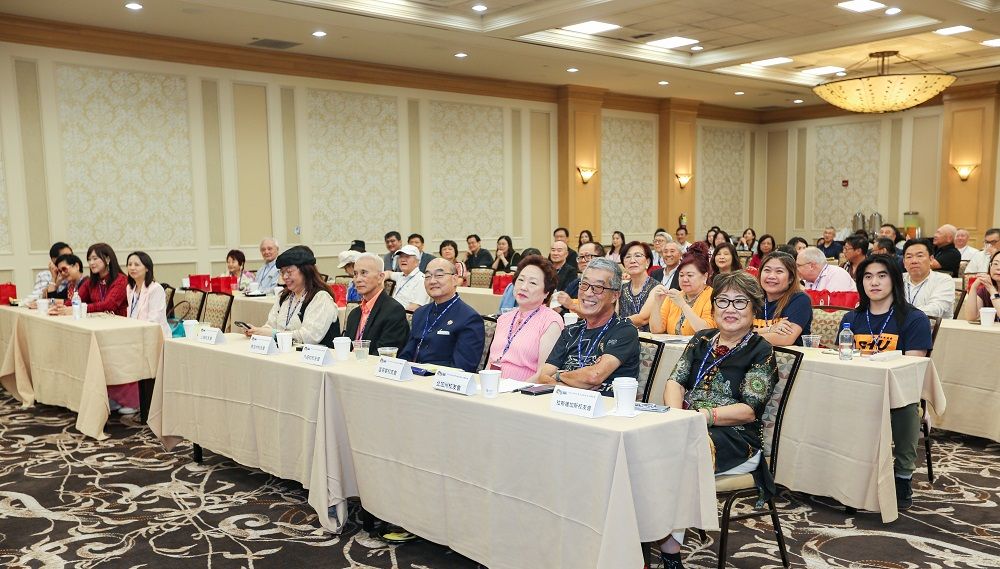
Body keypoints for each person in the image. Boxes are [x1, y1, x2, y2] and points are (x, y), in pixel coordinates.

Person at [657, 271, 778, 568]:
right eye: (723, 301)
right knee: (645, 444)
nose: (730, 309)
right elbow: (675, 381)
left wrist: (700, 417)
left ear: (753, 309)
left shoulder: (760, 350)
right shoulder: (703, 339)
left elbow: (749, 410)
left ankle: (670, 553)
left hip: (737, 438)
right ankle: (646, 530)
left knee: (677, 458)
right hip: (687, 425)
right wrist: (677, 417)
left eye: (740, 302)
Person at [839, 255, 933, 510]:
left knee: (906, 408)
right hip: (857, 390)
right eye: (868, 277)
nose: (874, 282)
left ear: (894, 280)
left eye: (882, 275)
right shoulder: (852, 318)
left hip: (897, 393)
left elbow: (912, 369)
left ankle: (902, 476)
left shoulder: (914, 319)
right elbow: (842, 359)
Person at [532, 258, 640, 394]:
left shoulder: (624, 330)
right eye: (584, 285)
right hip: (563, 405)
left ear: (615, 295)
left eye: (598, 287)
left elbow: (593, 376)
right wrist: (570, 387)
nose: (588, 293)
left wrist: (559, 375)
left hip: (605, 409)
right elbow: (543, 378)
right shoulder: (570, 331)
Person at [108, 251, 170, 415]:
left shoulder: (155, 289)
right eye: (129, 264)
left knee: (122, 354)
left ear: (147, 268)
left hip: (154, 338)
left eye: (137, 264)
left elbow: (154, 320)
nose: (132, 268)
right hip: (136, 335)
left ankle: (133, 401)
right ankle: (119, 397)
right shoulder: (131, 288)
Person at [398, 258, 485, 372]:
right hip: (411, 378)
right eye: (428, 276)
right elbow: (407, 354)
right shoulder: (420, 313)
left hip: (441, 384)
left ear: (454, 279)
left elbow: (462, 368)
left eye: (439, 275)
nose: (432, 281)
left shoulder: (469, 318)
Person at [486, 256, 564, 380]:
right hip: (492, 388)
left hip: (522, 393)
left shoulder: (551, 321)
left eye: (532, 283)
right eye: (521, 280)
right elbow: (491, 362)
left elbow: (543, 373)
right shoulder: (504, 318)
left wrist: (517, 390)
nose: (523, 287)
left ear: (546, 292)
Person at [245, 246, 340, 345]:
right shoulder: (284, 296)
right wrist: (258, 331)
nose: (285, 277)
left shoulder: (320, 297)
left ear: (305, 271)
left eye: (289, 272)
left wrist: (273, 334)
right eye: (282, 272)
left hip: (314, 357)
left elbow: (309, 337)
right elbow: (271, 325)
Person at [343, 253, 410, 354]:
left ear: (380, 277)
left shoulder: (393, 311)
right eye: (355, 274)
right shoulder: (354, 314)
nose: (358, 279)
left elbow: (385, 353)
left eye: (364, 273)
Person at [647, 242, 715, 335]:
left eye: (690, 275)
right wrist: (657, 303)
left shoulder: (712, 296)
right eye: (681, 275)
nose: (685, 279)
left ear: (705, 276)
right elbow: (656, 330)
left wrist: (683, 305)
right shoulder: (675, 296)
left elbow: (706, 331)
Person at [754, 252, 812, 346]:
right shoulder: (751, 298)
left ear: (791, 278)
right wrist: (769, 329)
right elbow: (729, 331)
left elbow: (784, 339)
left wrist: (745, 336)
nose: (771, 276)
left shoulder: (800, 300)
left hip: (785, 358)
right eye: (767, 270)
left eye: (779, 271)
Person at [901, 239, 955, 319]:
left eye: (920, 256)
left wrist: (901, 314)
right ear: (904, 263)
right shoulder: (897, 279)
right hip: (898, 329)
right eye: (909, 257)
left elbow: (935, 310)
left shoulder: (943, 280)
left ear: (931, 259)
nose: (914, 261)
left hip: (934, 329)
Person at [74, 243, 128, 316]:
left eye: (95, 258)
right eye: (89, 260)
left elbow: (109, 305)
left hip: (120, 323)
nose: (91, 263)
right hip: (98, 322)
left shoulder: (121, 280)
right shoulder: (91, 282)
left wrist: (81, 308)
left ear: (108, 259)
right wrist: (60, 307)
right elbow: (77, 299)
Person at [617, 241, 659, 331]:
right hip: (622, 338)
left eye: (638, 256)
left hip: (648, 342)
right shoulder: (621, 289)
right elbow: (613, 314)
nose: (632, 260)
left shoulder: (657, 288)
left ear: (647, 262)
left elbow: (643, 319)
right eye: (628, 257)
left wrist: (615, 323)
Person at [555, 241, 603, 310]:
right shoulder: (576, 283)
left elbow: (594, 312)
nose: (583, 260)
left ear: (600, 259)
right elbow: (562, 303)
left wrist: (571, 305)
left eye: (588, 256)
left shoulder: (604, 283)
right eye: (580, 257)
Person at [388, 245, 431, 311]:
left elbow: (414, 307)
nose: (403, 259)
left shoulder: (422, 280)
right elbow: (387, 273)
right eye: (401, 256)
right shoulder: (400, 275)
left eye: (407, 257)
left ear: (417, 262)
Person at [965, 250, 1000, 322]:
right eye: (995, 264)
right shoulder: (985, 290)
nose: (998, 268)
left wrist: (992, 290)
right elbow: (971, 317)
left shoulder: (990, 289)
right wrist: (974, 287)